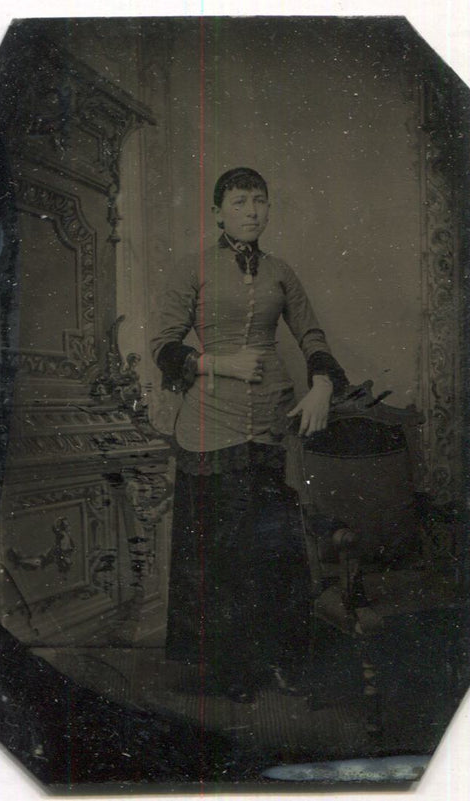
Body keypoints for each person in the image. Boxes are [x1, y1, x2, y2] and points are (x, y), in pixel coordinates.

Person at [151, 167, 348, 703]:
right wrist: (219, 364)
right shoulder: (192, 269)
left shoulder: (282, 273)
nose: (252, 211)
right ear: (218, 212)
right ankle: (228, 669)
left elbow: (311, 334)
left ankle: (279, 663)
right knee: (220, 552)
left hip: (271, 423)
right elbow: (164, 345)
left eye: (260, 201)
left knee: (275, 549)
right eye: (240, 202)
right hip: (209, 422)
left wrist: (323, 384)